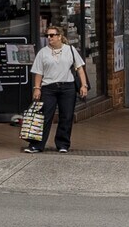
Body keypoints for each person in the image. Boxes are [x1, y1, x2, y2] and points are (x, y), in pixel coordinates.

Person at [27, 24, 88, 153]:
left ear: (59, 36)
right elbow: (38, 72)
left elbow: (80, 69)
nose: (49, 38)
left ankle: (63, 144)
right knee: (44, 116)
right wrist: (37, 88)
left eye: (52, 35)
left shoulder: (70, 49)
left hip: (67, 87)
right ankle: (37, 145)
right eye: (47, 35)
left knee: (66, 116)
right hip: (48, 88)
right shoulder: (43, 52)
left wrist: (84, 85)